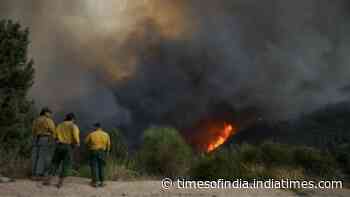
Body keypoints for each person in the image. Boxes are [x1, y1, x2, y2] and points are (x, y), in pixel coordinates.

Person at [43, 113, 80, 188]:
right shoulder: (73, 125)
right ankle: (60, 183)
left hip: (59, 146)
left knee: (55, 162)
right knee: (66, 164)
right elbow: (75, 136)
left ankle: (48, 180)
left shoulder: (60, 125)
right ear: (73, 119)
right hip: (68, 147)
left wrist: (57, 140)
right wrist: (77, 143)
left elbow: (54, 135)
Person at [31, 107, 56, 180]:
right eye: (49, 113)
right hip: (45, 138)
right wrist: (53, 139)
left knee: (35, 156)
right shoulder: (48, 120)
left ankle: (33, 174)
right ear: (45, 112)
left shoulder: (36, 119)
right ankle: (38, 175)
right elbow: (53, 130)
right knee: (42, 157)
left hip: (36, 138)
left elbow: (33, 130)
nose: (50, 114)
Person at [85, 123, 111, 187]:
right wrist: (107, 152)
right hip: (102, 152)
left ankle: (95, 182)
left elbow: (85, 142)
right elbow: (109, 144)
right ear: (101, 127)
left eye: (94, 127)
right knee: (101, 166)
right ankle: (102, 182)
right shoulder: (106, 134)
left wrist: (89, 147)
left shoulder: (91, 134)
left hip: (93, 151)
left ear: (95, 127)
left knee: (94, 166)